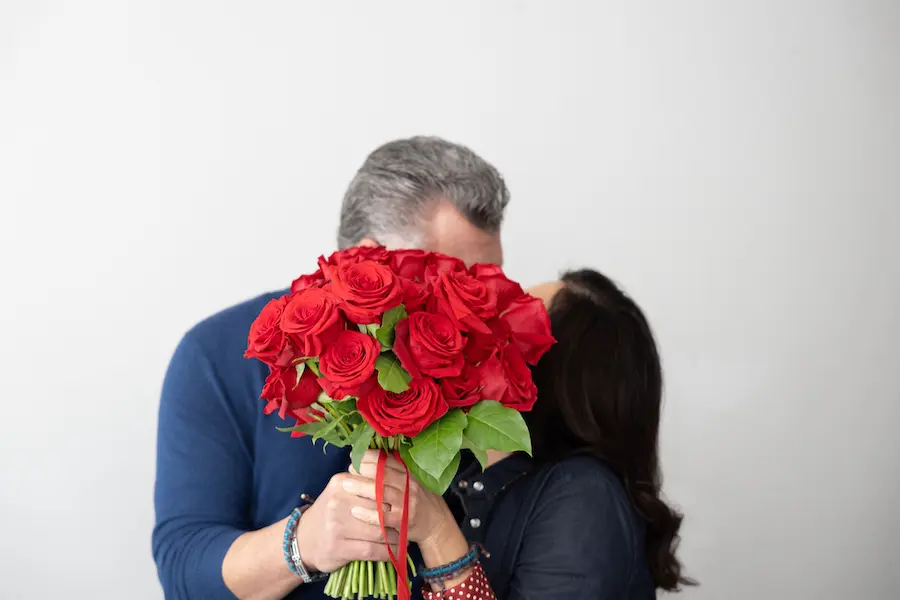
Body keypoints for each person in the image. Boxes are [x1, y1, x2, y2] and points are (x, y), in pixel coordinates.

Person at [152, 136, 510, 599]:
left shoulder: (488, 364)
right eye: (459, 283)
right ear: (367, 260)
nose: (481, 310)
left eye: (491, 283)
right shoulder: (216, 355)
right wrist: (304, 544)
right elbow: (183, 569)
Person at [345, 269, 695, 599]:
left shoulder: (586, 497)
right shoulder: (471, 469)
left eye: (513, 318)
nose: (486, 324)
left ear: (556, 378)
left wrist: (436, 531)